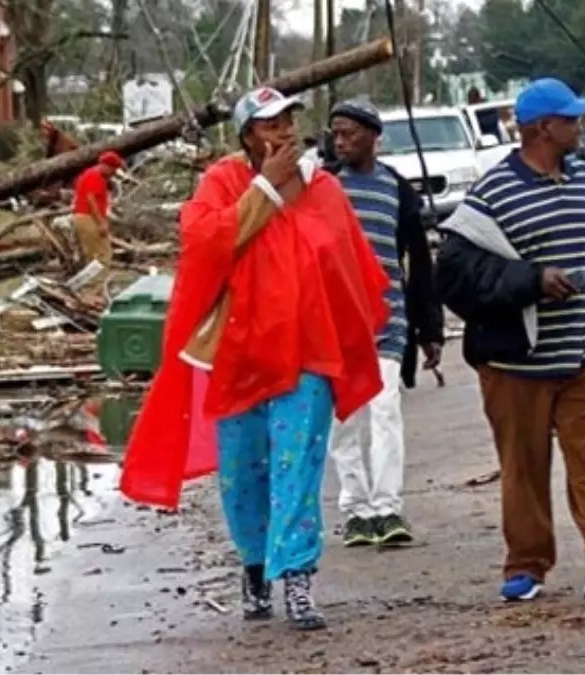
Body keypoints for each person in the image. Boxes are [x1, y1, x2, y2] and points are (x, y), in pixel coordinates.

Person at [118, 87, 391, 631]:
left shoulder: (324, 188)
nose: (284, 133)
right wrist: (266, 188)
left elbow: (346, 264)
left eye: (288, 121)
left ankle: (298, 580)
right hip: (239, 357)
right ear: (247, 137)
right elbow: (206, 242)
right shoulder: (223, 182)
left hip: (308, 356)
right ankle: (255, 565)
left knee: (299, 467)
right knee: (244, 472)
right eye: (270, 125)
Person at [433, 77, 585, 604]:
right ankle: (527, 565)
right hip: (518, 364)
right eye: (570, 120)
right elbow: (457, 276)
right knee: (524, 467)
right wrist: (531, 281)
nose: (581, 127)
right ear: (540, 129)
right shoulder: (492, 194)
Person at [323, 99, 445, 548]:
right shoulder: (325, 188)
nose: (341, 141)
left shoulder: (397, 190)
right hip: (337, 324)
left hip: (388, 318)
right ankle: (356, 511)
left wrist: (429, 328)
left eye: (350, 133)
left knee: (385, 410)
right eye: (335, 133)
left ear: (375, 137)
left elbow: (420, 261)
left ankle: (388, 507)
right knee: (347, 418)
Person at [71, 151, 125, 266]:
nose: (113, 173)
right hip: (88, 217)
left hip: (85, 217)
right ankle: (96, 283)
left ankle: (93, 283)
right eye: (113, 169)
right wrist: (101, 223)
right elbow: (92, 200)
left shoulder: (88, 174)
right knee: (102, 254)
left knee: (95, 254)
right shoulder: (94, 176)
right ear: (106, 165)